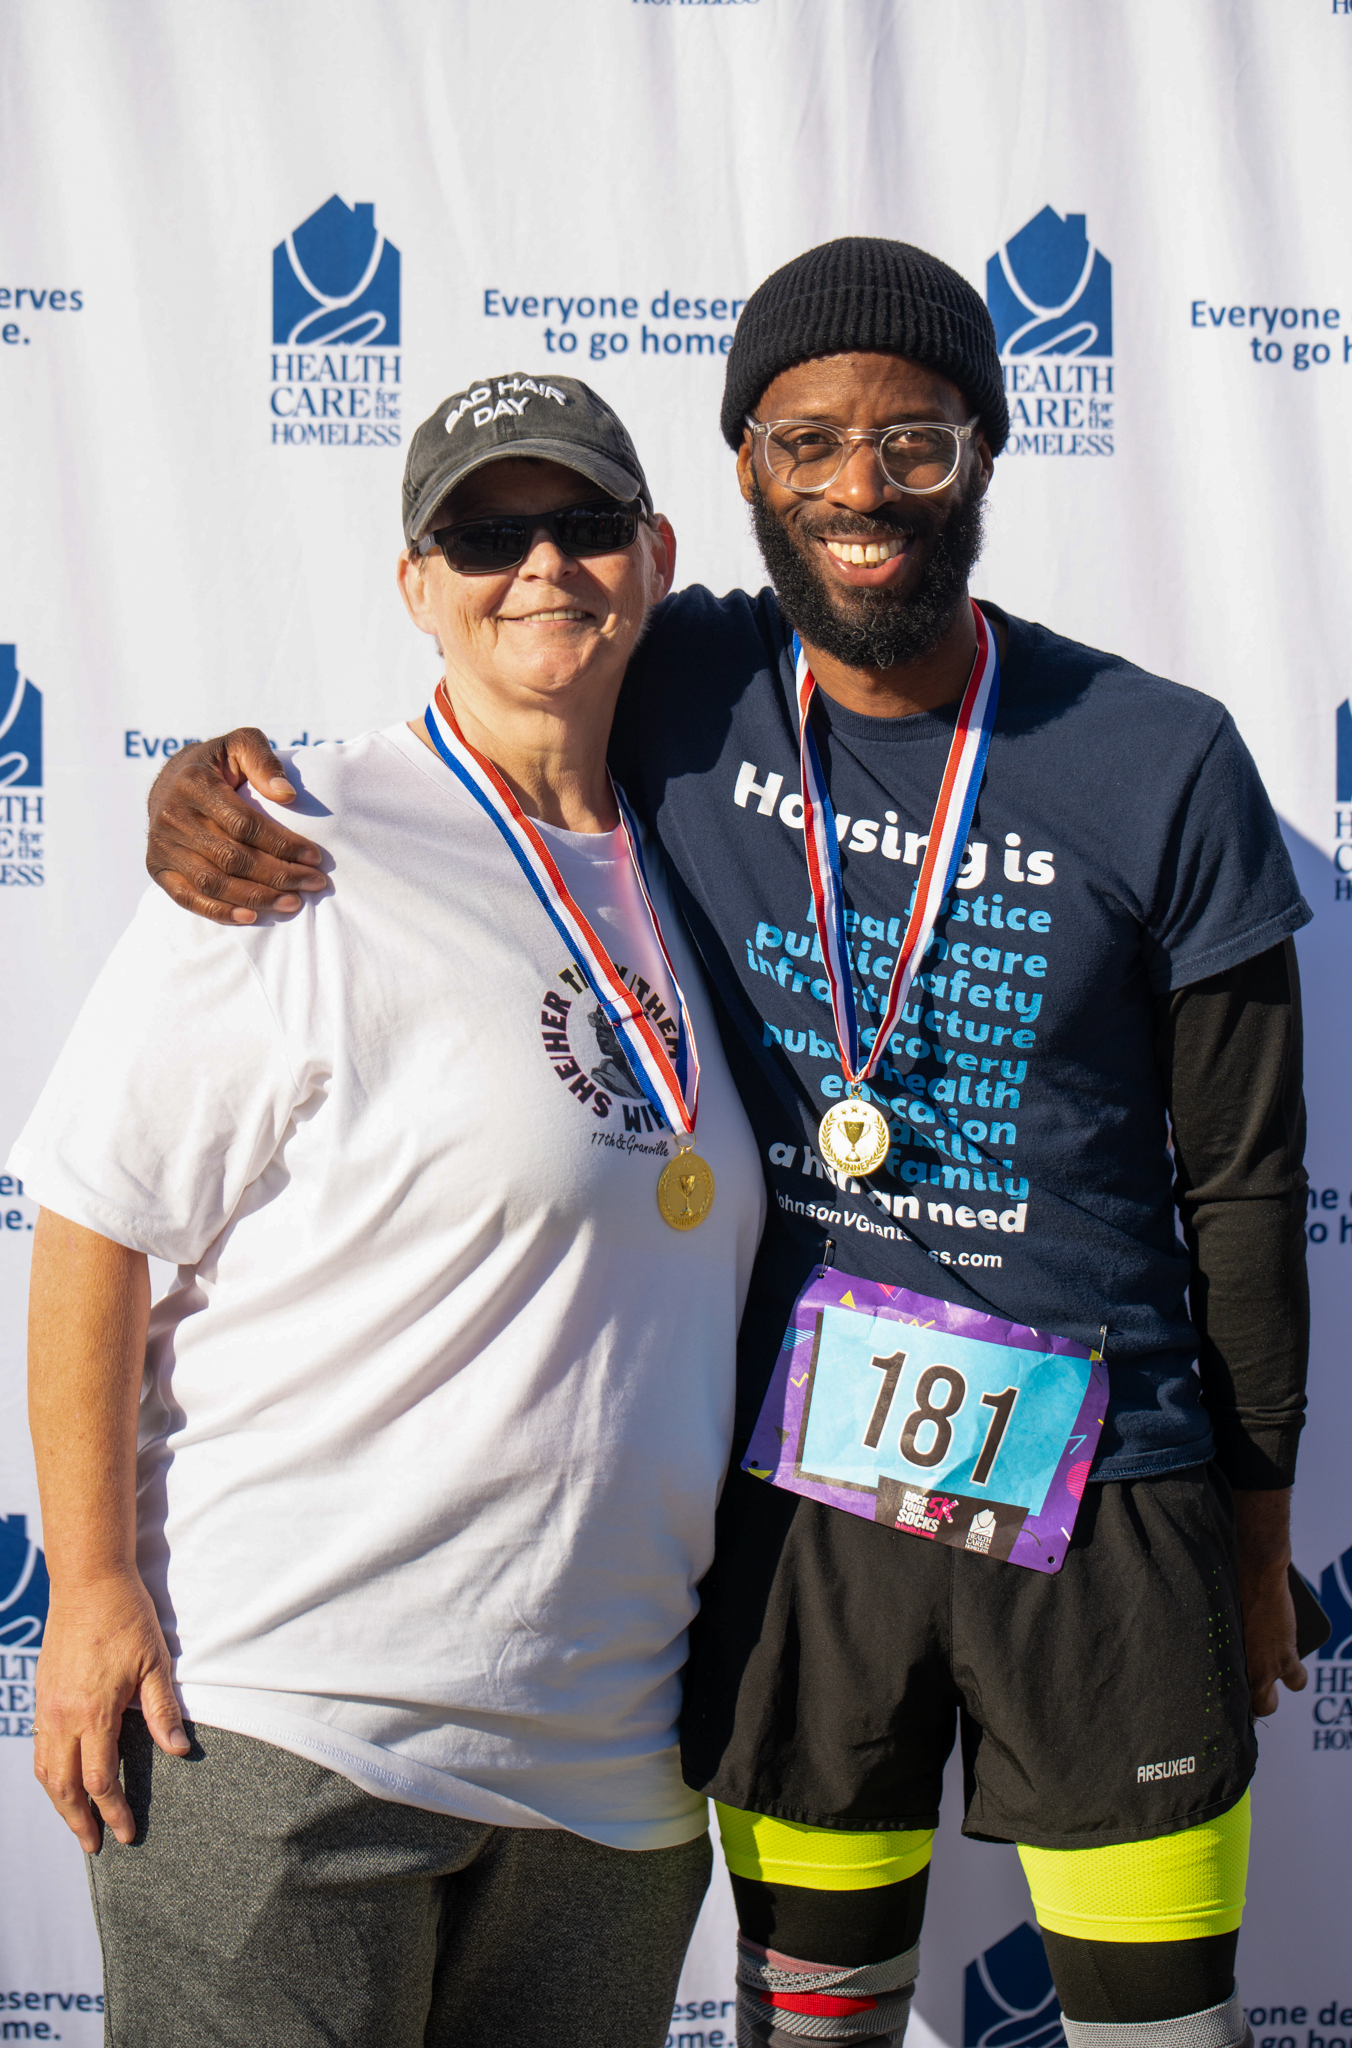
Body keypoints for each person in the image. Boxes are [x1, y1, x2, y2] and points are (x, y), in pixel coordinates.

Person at [145, 239, 1311, 2048]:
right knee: (816, 2029)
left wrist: (1255, 1538)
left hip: (1110, 1502)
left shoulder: (1162, 757)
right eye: (806, 439)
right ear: (743, 475)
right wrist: (205, 788)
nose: (861, 485)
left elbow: (1241, 1179)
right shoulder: (674, 683)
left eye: (913, 441)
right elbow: (465, 717)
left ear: (986, 453)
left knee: (1168, 2032)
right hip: (797, 1517)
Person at [14, 375, 766, 2048]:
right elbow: (94, 1215)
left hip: (614, 1779)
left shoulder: (705, 861)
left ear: (653, 554)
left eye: (580, 525)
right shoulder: (295, 837)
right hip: (289, 1728)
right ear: (416, 584)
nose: (541, 568)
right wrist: (88, 1586)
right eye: (486, 536)